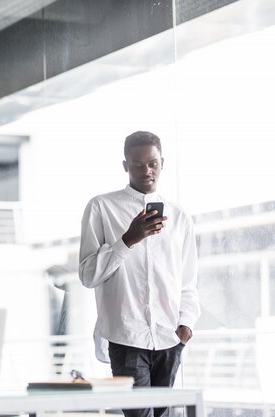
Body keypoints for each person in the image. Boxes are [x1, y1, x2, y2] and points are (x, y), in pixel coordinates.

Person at [78, 131, 200, 417]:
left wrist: (185, 327)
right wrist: (128, 240)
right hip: (126, 339)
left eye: (153, 163)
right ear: (125, 166)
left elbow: (188, 281)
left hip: (169, 339)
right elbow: (87, 275)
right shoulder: (101, 207)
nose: (147, 171)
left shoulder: (180, 218)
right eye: (137, 164)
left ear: (162, 162)